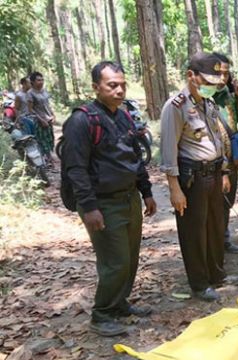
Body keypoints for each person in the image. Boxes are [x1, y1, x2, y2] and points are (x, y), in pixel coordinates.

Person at [62, 61, 157, 336]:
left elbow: (135, 157)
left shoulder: (124, 115)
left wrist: (147, 191)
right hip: (102, 203)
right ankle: (102, 314)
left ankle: (119, 304)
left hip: (128, 199)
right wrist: (90, 208)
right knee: (114, 261)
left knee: (129, 258)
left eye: (122, 85)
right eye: (112, 85)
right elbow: (76, 169)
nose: (119, 90)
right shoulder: (81, 120)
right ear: (96, 87)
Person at [160, 52, 233, 302]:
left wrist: (223, 171)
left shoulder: (207, 103)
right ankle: (200, 284)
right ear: (191, 76)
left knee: (215, 226)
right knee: (194, 232)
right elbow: (169, 150)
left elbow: (217, 139)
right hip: (192, 178)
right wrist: (174, 188)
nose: (213, 86)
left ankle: (217, 275)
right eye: (208, 81)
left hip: (213, 173)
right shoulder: (176, 107)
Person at [212, 52, 238, 255]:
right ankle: (215, 243)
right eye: (219, 73)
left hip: (233, 157)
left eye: (226, 74)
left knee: (227, 200)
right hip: (215, 161)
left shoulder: (228, 95)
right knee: (214, 204)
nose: (222, 78)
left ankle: (224, 240)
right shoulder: (204, 98)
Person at [27, 72, 56, 158]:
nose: (41, 82)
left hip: (48, 119)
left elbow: (48, 105)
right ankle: (47, 161)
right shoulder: (30, 93)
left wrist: (53, 115)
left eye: (42, 80)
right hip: (39, 121)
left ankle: (49, 159)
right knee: (42, 141)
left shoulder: (44, 91)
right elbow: (30, 109)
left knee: (50, 139)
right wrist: (41, 120)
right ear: (32, 82)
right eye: (38, 80)